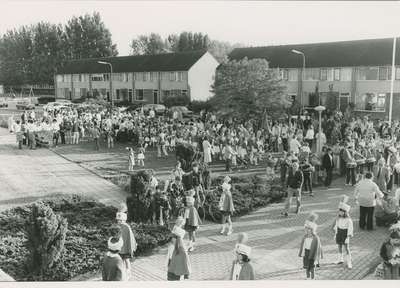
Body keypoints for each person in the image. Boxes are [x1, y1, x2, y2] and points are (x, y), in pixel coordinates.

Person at [332, 195, 354, 269]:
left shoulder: (348, 220)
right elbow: (337, 226)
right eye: (339, 211)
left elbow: (350, 229)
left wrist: (348, 237)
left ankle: (349, 261)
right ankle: (340, 259)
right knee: (339, 246)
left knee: (346, 248)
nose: (339, 212)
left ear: (345, 212)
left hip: (345, 234)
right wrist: (335, 234)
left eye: (341, 211)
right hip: (339, 233)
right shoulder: (339, 218)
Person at [116, 205, 137, 279]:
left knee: (126, 259)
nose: (119, 222)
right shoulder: (117, 227)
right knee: (120, 260)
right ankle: (122, 272)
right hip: (120, 247)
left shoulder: (126, 227)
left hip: (125, 246)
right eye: (118, 220)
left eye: (121, 220)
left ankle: (128, 272)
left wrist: (132, 245)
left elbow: (130, 237)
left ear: (124, 220)